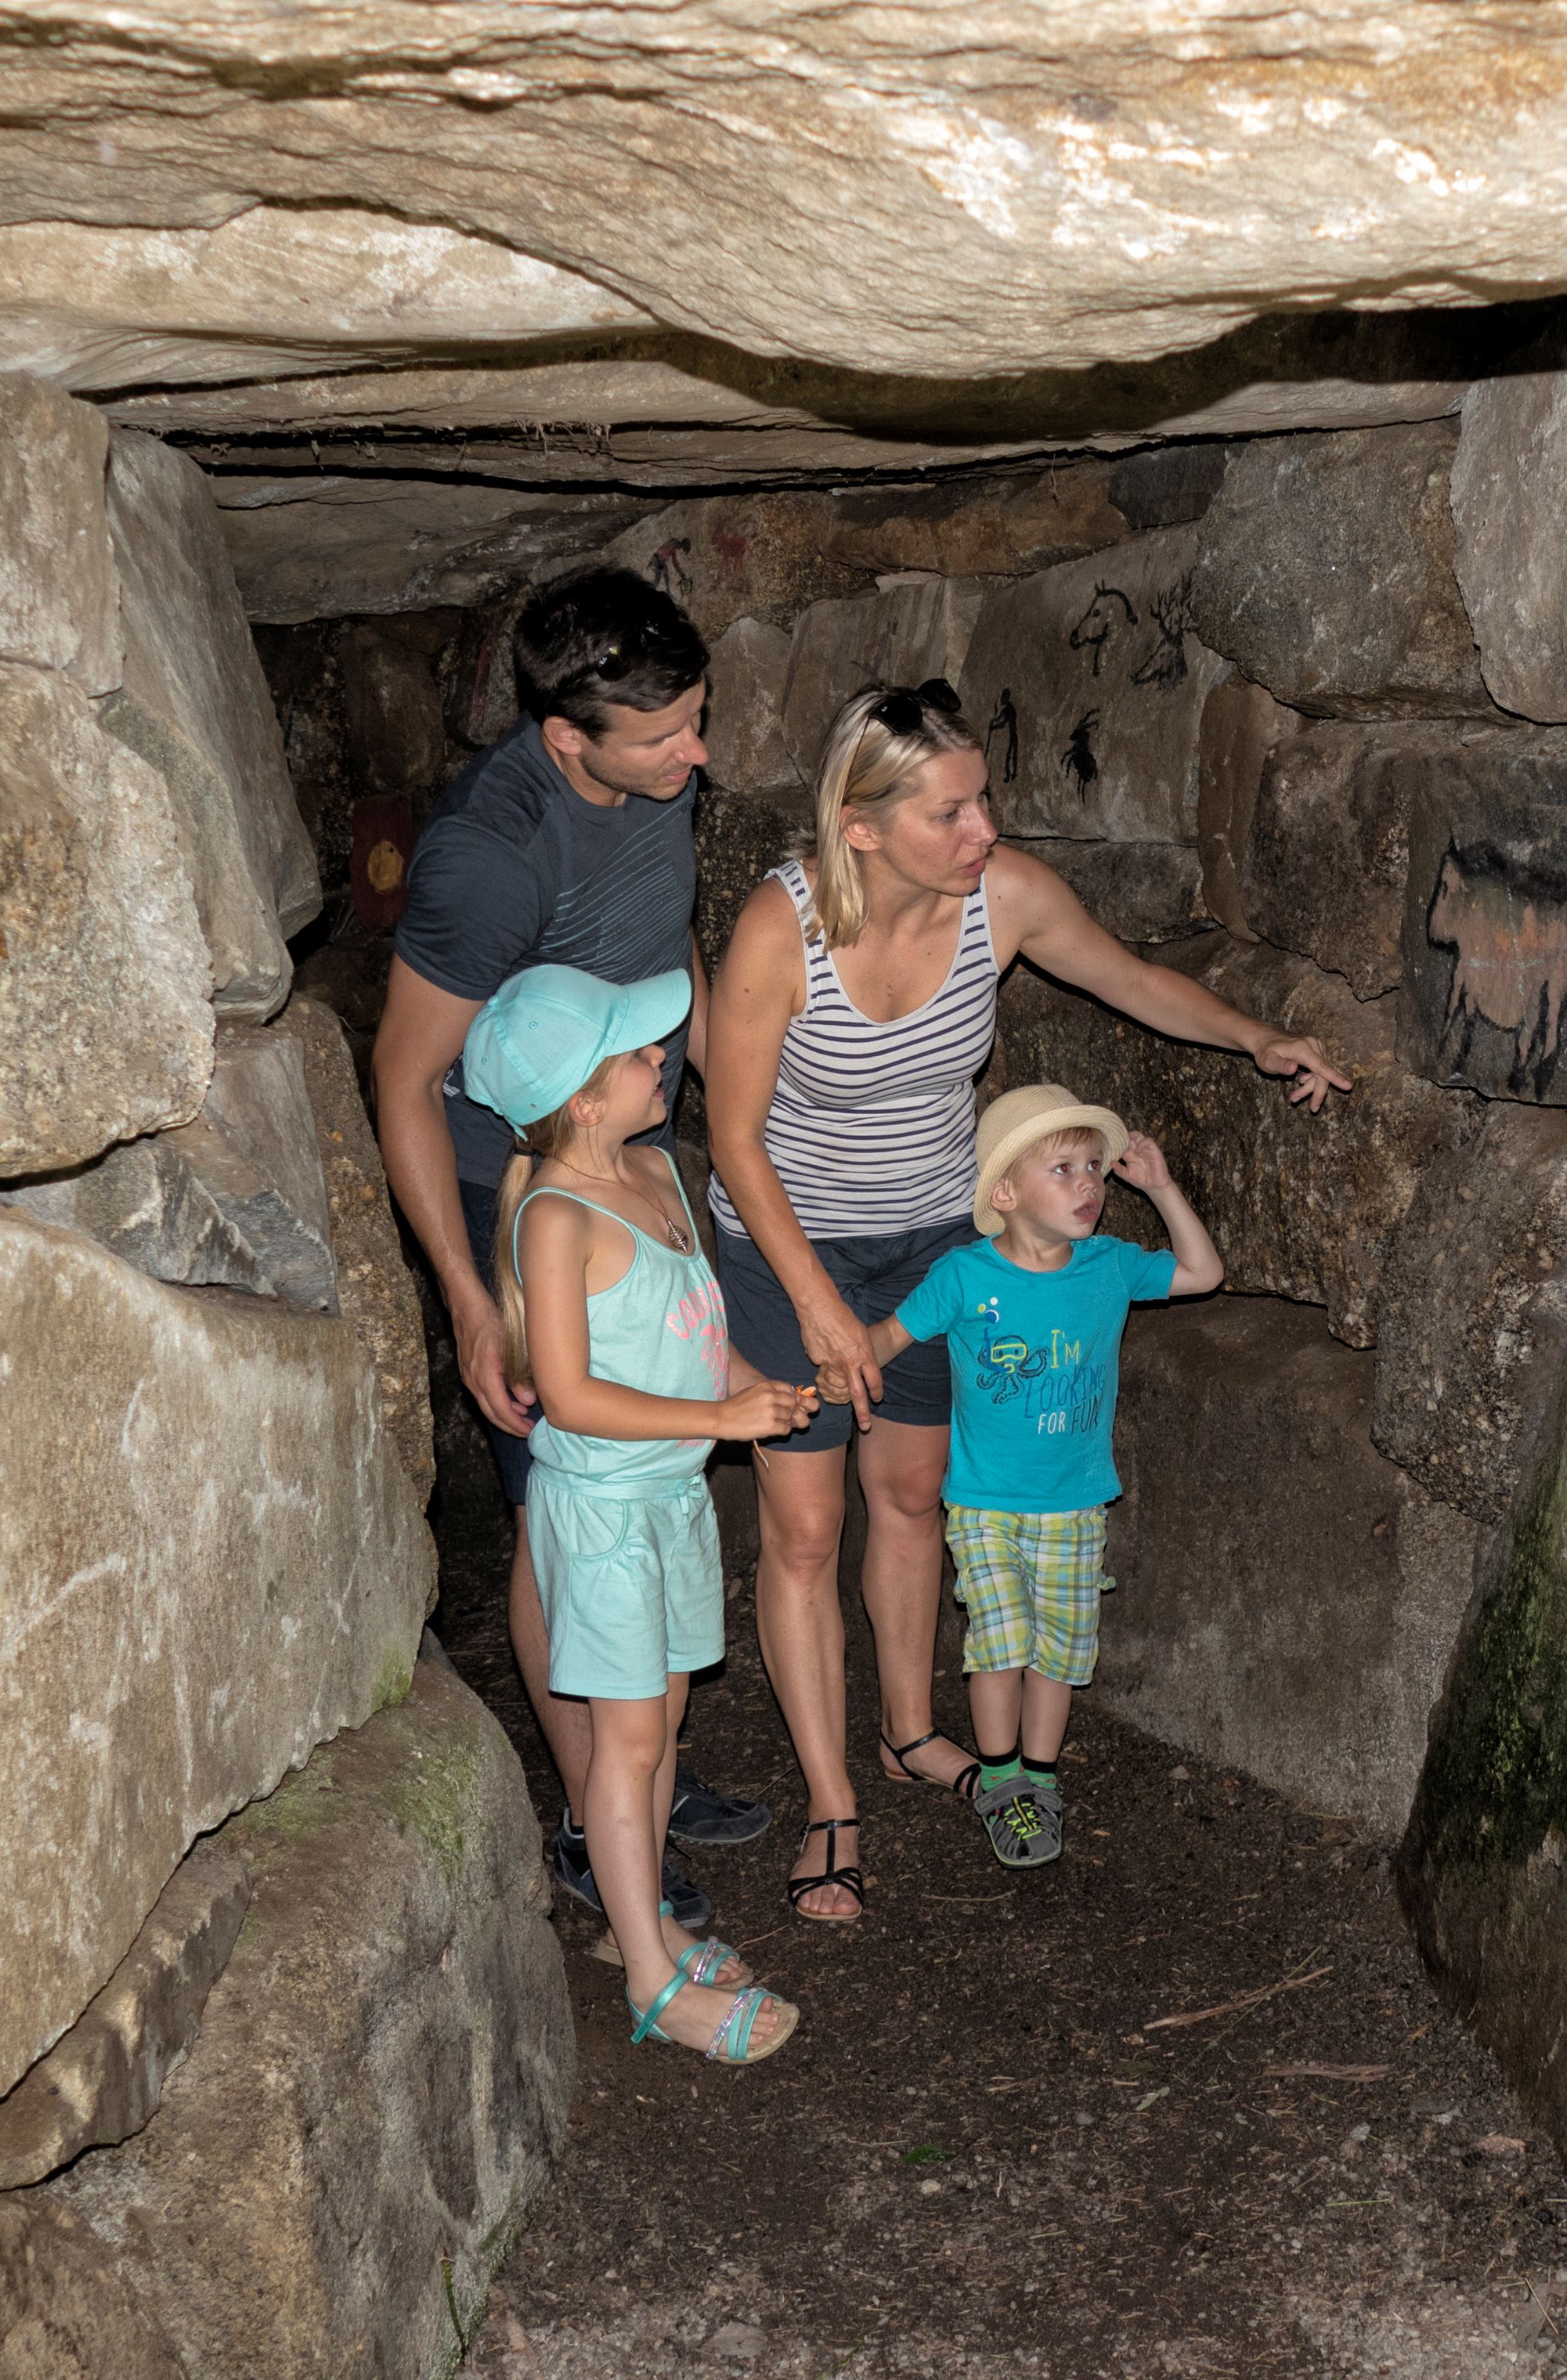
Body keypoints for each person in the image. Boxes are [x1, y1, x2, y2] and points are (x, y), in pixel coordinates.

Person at [707, 680, 1352, 1921]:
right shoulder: (778, 934)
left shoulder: (1002, 901)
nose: (983, 830)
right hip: (786, 1243)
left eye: (983, 799)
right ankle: (831, 1801)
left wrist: (1255, 1038)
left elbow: (1130, 980)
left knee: (907, 1491)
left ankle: (907, 1733)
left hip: (935, 1236)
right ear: (860, 826)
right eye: (949, 811)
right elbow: (734, 1139)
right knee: (802, 1526)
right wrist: (818, 1308)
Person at [372, 565, 767, 1929]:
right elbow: (407, 1077)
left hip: (640, 1146)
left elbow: (674, 944)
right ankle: (596, 1814)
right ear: (566, 739)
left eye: (699, 722)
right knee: (564, 1503)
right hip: (535, 1189)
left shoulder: (658, 772)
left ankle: (639, 1766)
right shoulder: (489, 857)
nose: (697, 756)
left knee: (650, 1476)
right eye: (666, 739)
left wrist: (736, 1125)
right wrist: (477, 1311)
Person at [469, 964, 811, 2063]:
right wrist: (722, 1414)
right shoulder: (559, 1218)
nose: (661, 1055)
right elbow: (566, 1396)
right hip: (608, 1513)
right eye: (634, 1051)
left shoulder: (657, 1170)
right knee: (625, 1741)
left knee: (661, 1725)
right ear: (579, 1096)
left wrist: (759, 1389)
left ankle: (640, 1919)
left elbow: (694, 1333)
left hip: (670, 1499)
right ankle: (653, 1986)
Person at [859, 1087, 1221, 1866]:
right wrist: (832, 1371)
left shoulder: (1110, 1265)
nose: (1089, 1183)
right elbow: (887, 1337)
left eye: (1094, 1167)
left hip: (1076, 1502)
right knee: (999, 1644)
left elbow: (1203, 1272)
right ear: (1006, 1192)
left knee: (1058, 1649)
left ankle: (1041, 1780)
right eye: (1063, 1168)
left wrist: (1158, 1186)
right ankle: (1001, 1782)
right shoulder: (964, 1276)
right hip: (984, 1501)